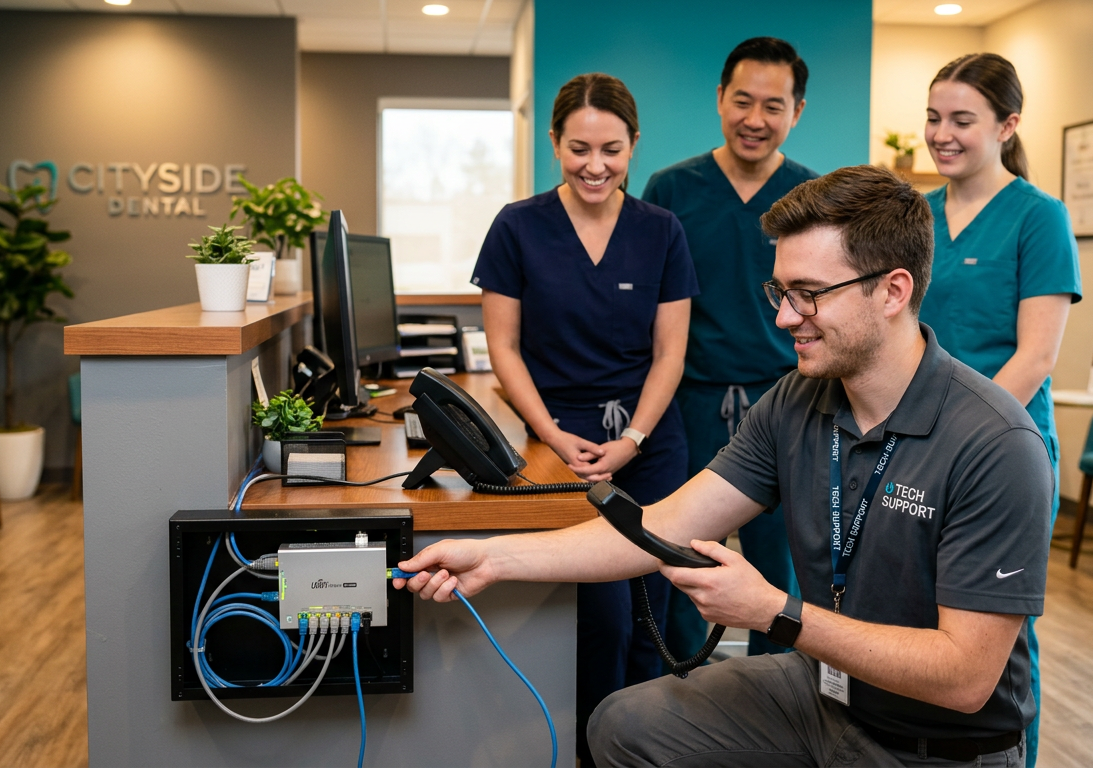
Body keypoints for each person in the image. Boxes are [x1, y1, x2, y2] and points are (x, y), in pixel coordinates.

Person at [405, 166, 1052, 767]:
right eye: (780, 290)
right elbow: (663, 523)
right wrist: (494, 558)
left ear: (893, 290)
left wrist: (774, 610)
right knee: (622, 723)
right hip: (823, 693)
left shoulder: (994, 443)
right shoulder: (798, 401)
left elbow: (966, 679)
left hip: (935, 742)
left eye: (808, 295)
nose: (783, 317)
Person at [469, 72, 699, 764]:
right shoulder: (518, 226)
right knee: (598, 618)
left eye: (611, 149)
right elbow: (503, 347)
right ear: (554, 143)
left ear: (633, 146)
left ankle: (648, 749)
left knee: (654, 617)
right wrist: (548, 433)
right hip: (558, 447)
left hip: (649, 443)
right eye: (578, 149)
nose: (595, 165)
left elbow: (671, 354)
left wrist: (631, 439)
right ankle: (591, 752)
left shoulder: (661, 230)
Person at [918, 53, 1082, 768]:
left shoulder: (1039, 217)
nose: (941, 134)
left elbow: (1035, 358)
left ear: (1008, 125)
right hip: (917, 446)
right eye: (933, 117)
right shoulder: (914, 216)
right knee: (919, 621)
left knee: (999, 630)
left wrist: (953, 437)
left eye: (962, 120)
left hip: (1001, 453)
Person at [641, 36, 818, 661]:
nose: (755, 119)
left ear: (797, 111)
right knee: (682, 556)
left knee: (781, 568)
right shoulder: (671, 191)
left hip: (789, 400)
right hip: (688, 402)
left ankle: (778, 706)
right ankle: (681, 698)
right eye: (742, 101)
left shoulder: (814, 199)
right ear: (719, 99)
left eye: (774, 106)